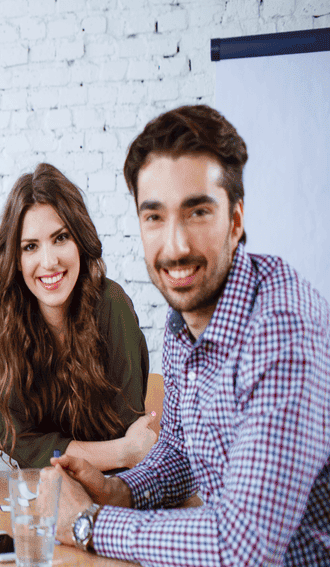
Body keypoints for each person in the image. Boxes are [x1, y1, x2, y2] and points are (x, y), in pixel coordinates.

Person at [52, 105, 330, 566]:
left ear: (235, 220)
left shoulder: (283, 330)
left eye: (197, 212)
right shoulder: (185, 321)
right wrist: (118, 490)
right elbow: (181, 453)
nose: (175, 246)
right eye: (154, 217)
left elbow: (244, 546)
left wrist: (91, 523)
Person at [0, 163, 155, 471]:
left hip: (110, 489)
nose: (49, 261)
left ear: (80, 240)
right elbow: (18, 441)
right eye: (30, 247)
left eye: (61, 237)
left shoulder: (112, 307)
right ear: (16, 258)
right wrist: (121, 451)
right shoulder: (10, 318)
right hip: (41, 490)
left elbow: (128, 429)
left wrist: (43, 446)